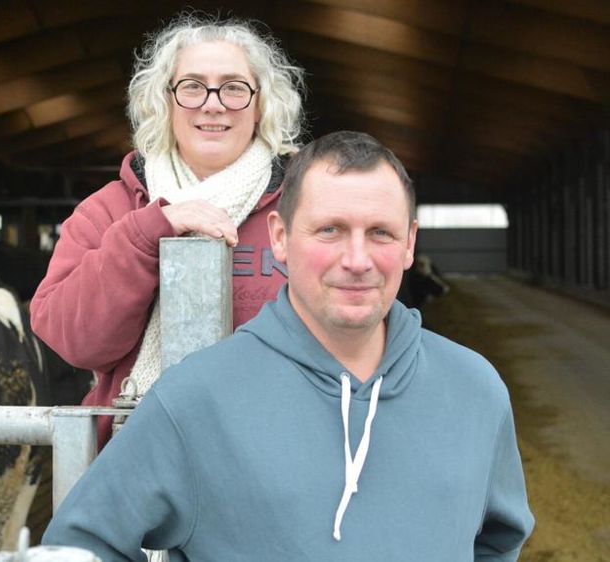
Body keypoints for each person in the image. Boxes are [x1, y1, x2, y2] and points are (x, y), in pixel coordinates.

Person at [41, 131, 534, 561]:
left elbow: (498, 542)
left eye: (380, 233)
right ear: (280, 237)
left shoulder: (474, 390)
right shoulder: (196, 398)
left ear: (409, 244)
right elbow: (81, 545)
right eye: (330, 230)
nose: (357, 259)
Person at [29, 14, 305, 448]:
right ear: (165, 101)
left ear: (261, 105)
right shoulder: (108, 210)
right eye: (192, 87)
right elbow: (75, 342)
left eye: (234, 88)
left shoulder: (305, 207)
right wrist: (147, 233)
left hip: (273, 450)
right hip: (139, 452)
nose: (212, 104)